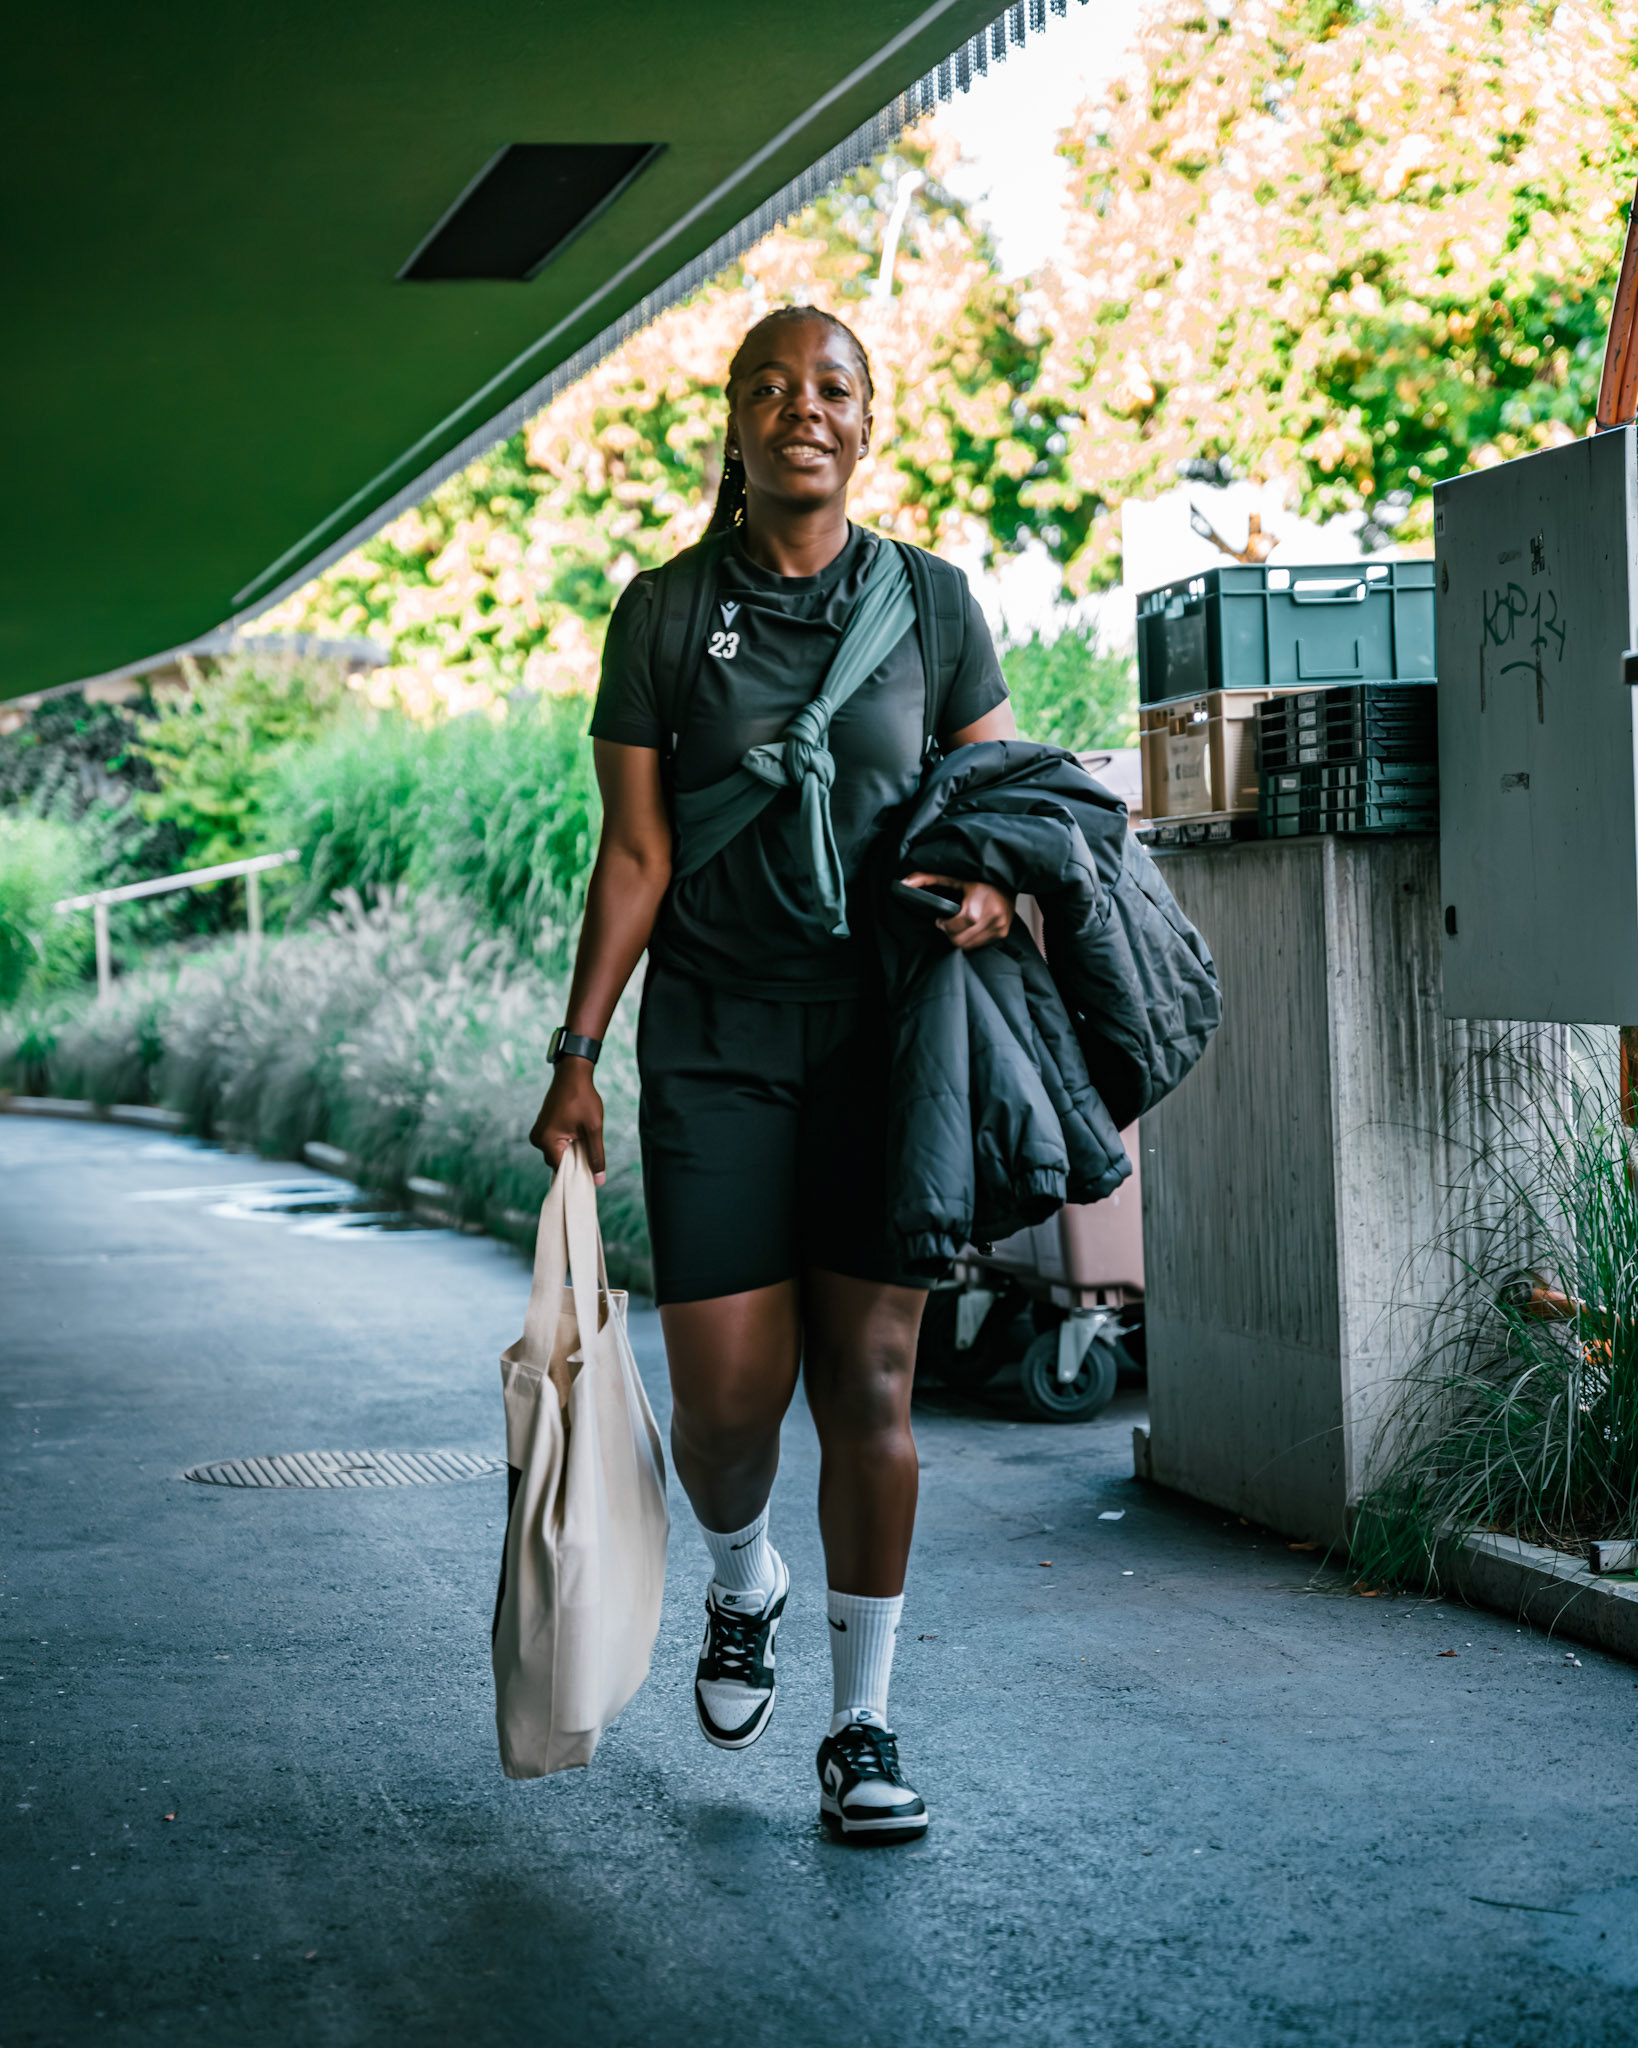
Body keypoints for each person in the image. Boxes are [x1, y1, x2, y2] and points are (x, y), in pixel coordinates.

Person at [530, 304, 1017, 1842]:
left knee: (871, 1382)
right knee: (729, 1406)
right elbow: (635, 852)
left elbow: (1001, 796)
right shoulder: (665, 615)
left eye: (831, 388)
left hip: (888, 1044)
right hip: (719, 1041)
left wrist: (996, 889)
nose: (799, 408)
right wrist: (578, 1054)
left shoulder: (932, 606)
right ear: (731, 424)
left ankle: (861, 1724)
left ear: (867, 423)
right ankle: (743, 1575)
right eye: (768, 386)